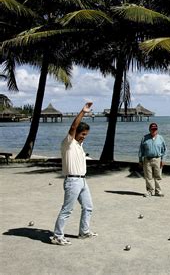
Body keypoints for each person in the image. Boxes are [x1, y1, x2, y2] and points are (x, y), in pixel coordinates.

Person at [51, 102, 97, 246]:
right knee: (67, 209)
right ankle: (57, 236)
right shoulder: (68, 143)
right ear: (76, 133)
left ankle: (84, 232)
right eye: (83, 134)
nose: (84, 136)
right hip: (72, 181)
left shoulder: (79, 145)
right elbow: (73, 127)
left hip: (82, 181)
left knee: (88, 206)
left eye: (86, 134)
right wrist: (83, 112)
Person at [138, 122, 167, 197]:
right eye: (152, 129)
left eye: (155, 129)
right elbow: (141, 150)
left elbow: (165, 150)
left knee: (158, 176)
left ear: (157, 129)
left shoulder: (161, 138)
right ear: (149, 129)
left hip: (158, 159)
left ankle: (158, 191)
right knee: (148, 177)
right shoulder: (144, 138)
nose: (154, 130)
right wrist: (140, 159)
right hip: (147, 160)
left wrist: (163, 160)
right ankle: (150, 191)